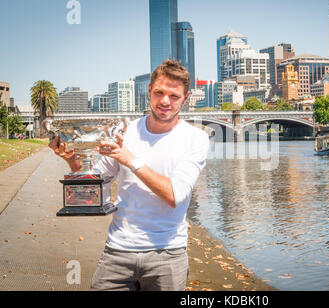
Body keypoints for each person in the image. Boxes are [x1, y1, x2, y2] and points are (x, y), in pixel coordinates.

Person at [49, 60, 210, 291]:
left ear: (185, 99)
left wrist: (129, 159)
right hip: (118, 250)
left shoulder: (195, 138)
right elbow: (96, 182)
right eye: (159, 93)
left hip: (167, 254)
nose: (165, 101)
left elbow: (176, 195)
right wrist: (72, 158)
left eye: (174, 96)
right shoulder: (124, 131)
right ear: (149, 92)